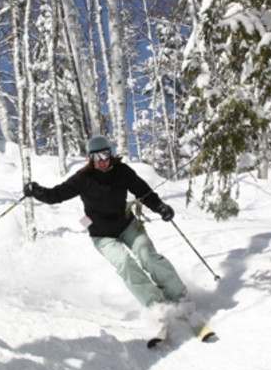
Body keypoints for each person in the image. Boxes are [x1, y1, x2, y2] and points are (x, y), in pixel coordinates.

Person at [23, 135, 196, 336]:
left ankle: (179, 295)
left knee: (147, 255)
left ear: (111, 154)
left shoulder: (122, 172)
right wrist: (36, 191)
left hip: (127, 224)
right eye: (96, 158)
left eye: (105, 155)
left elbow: (143, 191)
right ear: (89, 159)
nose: (102, 161)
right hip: (102, 234)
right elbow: (56, 195)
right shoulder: (83, 178)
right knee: (124, 263)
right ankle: (155, 305)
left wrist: (160, 207)